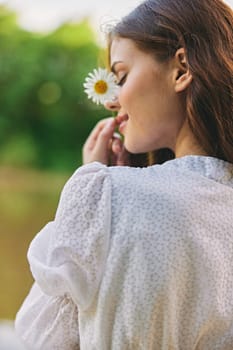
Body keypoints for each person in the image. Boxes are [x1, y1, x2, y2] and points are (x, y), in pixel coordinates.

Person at [15, 0, 233, 349]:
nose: (110, 101)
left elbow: (40, 339)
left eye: (121, 76)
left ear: (181, 69)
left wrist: (91, 185)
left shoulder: (108, 193)